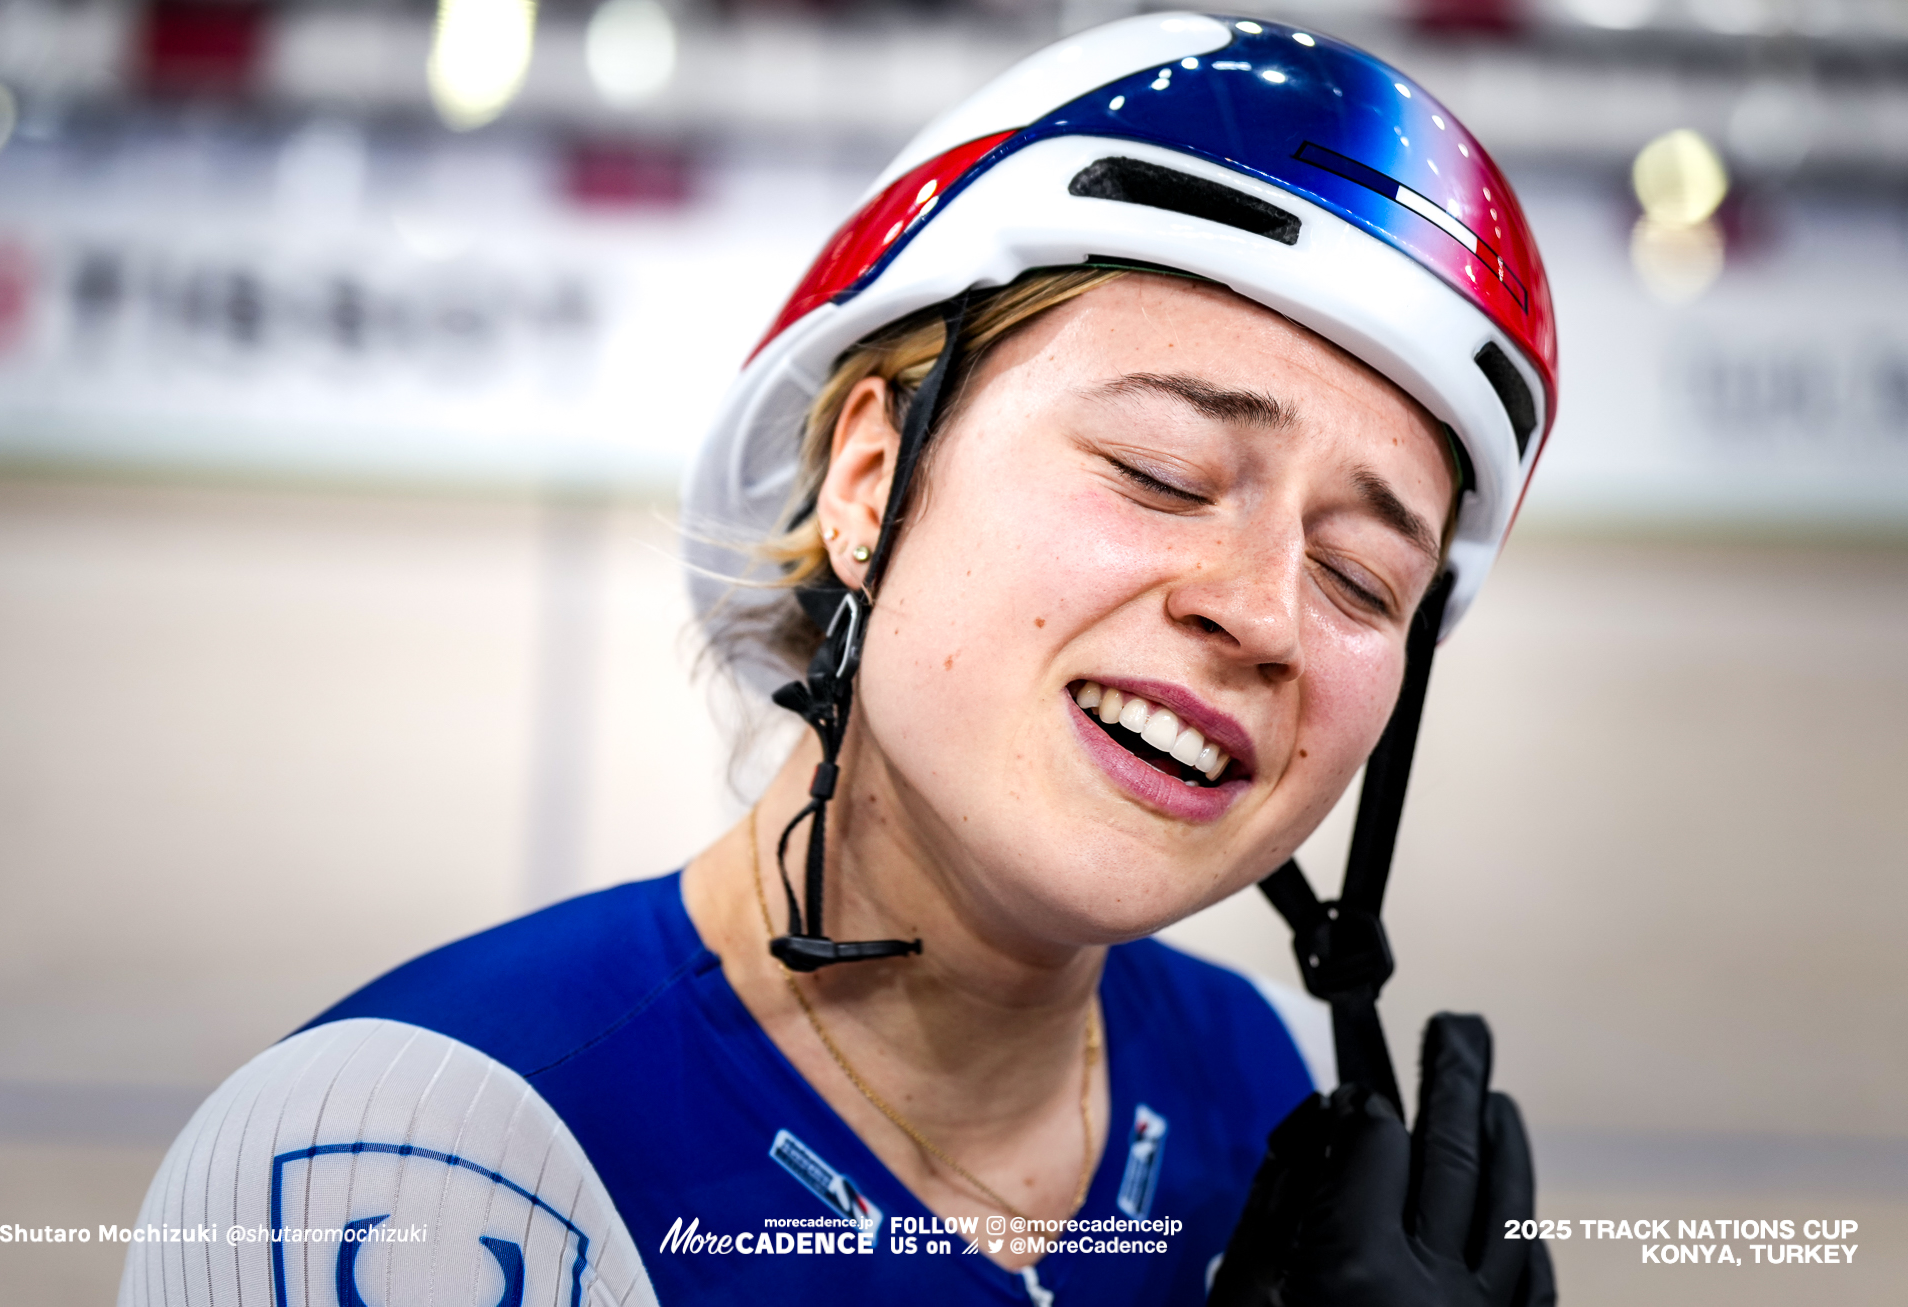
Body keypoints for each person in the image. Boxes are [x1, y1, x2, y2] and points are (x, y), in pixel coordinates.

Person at [120, 13, 1557, 1307]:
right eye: (1163, 469)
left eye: (1365, 577)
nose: (1264, 614)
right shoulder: (404, 1160)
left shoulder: (1262, 1098)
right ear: (871, 482)